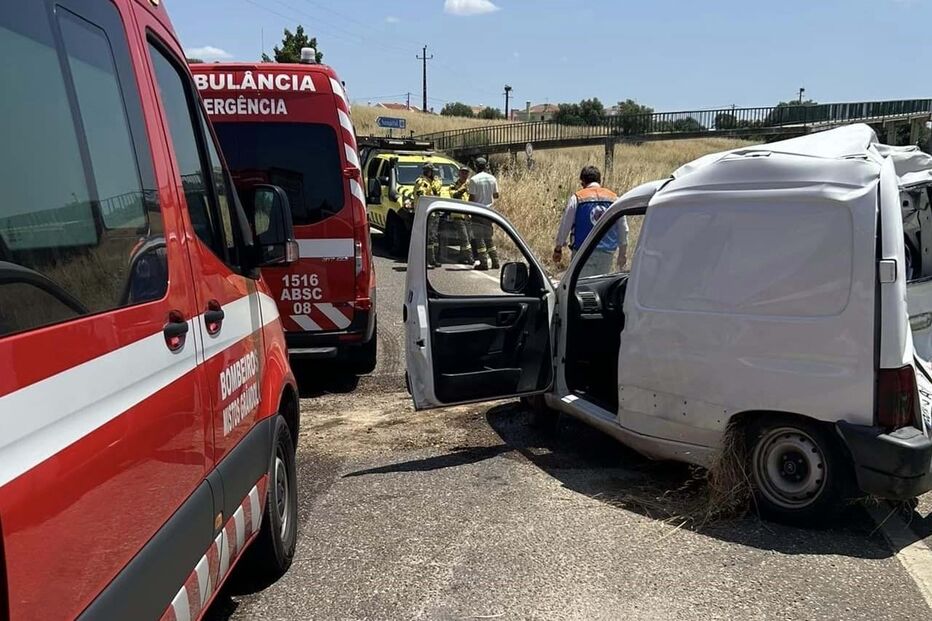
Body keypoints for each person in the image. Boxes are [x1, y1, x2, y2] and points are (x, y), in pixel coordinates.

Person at [553, 165, 628, 278]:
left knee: (580, 287)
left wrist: (558, 248)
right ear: (600, 180)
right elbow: (623, 228)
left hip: (582, 252)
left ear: (583, 182)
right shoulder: (614, 198)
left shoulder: (577, 198)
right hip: (606, 254)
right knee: (599, 287)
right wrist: (622, 253)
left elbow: (565, 225)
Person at [468, 157, 500, 270]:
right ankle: (495, 261)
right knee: (488, 237)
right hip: (489, 212)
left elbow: (471, 198)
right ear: (486, 166)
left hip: (477, 212)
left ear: (476, 166)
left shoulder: (474, 180)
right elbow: (496, 195)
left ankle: (484, 263)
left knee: (479, 238)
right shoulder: (492, 178)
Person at [414, 164, 443, 267]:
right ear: (429, 172)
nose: (434, 174)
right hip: (427, 213)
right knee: (428, 237)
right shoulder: (423, 182)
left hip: (431, 212)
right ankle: (427, 260)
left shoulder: (429, 182)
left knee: (432, 237)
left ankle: (432, 259)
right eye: (432, 171)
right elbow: (421, 194)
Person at [448, 165, 475, 263]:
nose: (464, 175)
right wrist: (463, 188)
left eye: (466, 173)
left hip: (468, 215)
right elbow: (454, 195)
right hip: (458, 216)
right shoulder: (453, 185)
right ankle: (470, 258)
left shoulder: (471, 184)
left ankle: (462, 257)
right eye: (463, 172)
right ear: (459, 173)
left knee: (468, 237)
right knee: (465, 238)